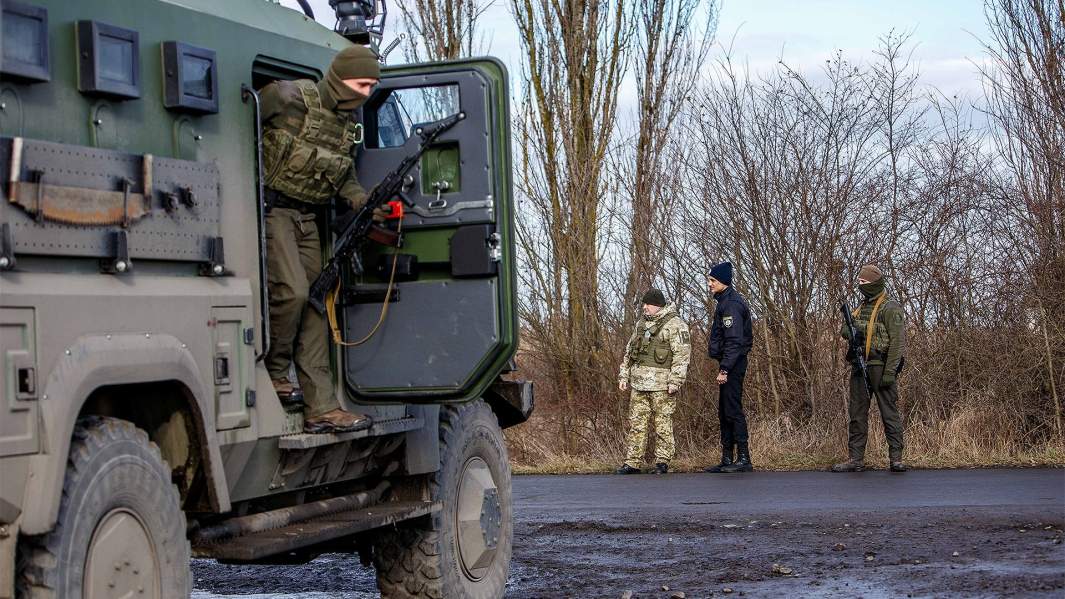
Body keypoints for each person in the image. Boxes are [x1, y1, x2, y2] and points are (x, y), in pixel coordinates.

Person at [260, 45, 385, 434]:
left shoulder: (347, 125)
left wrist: (362, 201)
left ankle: (322, 407)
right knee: (293, 293)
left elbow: (344, 174)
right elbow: (238, 124)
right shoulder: (286, 97)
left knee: (316, 302)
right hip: (273, 211)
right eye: (362, 84)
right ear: (340, 78)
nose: (366, 93)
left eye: (372, 86)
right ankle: (274, 373)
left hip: (309, 218)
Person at [832, 265, 908, 472]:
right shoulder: (861, 307)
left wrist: (890, 372)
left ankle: (896, 459)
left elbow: (897, 343)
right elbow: (847, 327)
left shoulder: (890, 307)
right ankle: (855, 459)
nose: (860, 285)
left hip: (881, 366)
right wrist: (850, 331)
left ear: (874, 283)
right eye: (859, 282)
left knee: (889, 414)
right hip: (860, 365)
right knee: (857, 414)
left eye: (863, 282)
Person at [616, 289, 692, 475]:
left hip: (662, 385)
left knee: (662, 425)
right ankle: (632, 463)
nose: (644, 307)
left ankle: (662, 462)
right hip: (639, 384)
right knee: (637, 425)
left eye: (648, 304)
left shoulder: (676, 324)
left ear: (658, 305)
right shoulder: (641, 324)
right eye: (644, 304)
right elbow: (630, 351)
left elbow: (682, 356)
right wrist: (624, 376)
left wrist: (675, 381)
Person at [702, 262, 755, 473]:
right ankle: (726, 458)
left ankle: (743, 458)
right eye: (709, 280)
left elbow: (735, 341)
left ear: (723, 281)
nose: (709, 284)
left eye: (712, 280)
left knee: (733, 410)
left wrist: (724, 369)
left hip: (733, 363)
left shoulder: (731, 304)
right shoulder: (723, 301)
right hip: (728, 361)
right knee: (724, 411)